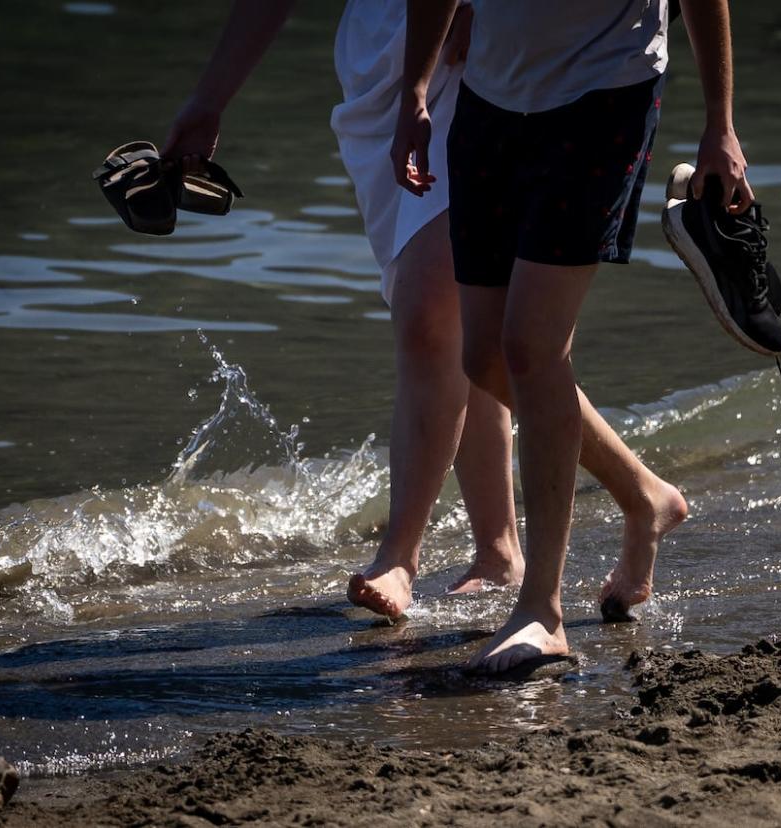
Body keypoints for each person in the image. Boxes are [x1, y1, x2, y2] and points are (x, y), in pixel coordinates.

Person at [164, 0, 686, 623]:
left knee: (433, 312)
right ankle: (527, 538)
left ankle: (401, 554)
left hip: (482, 56)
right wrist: (209, 100)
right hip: (383, 61)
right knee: (472, 323)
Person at [393, 0, 748, 673]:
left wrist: (719, 124)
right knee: (485, 356)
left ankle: (542, 611)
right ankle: (645, 497)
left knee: (531, 346)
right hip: (490, 97)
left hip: (604, 93)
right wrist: (415, 89)